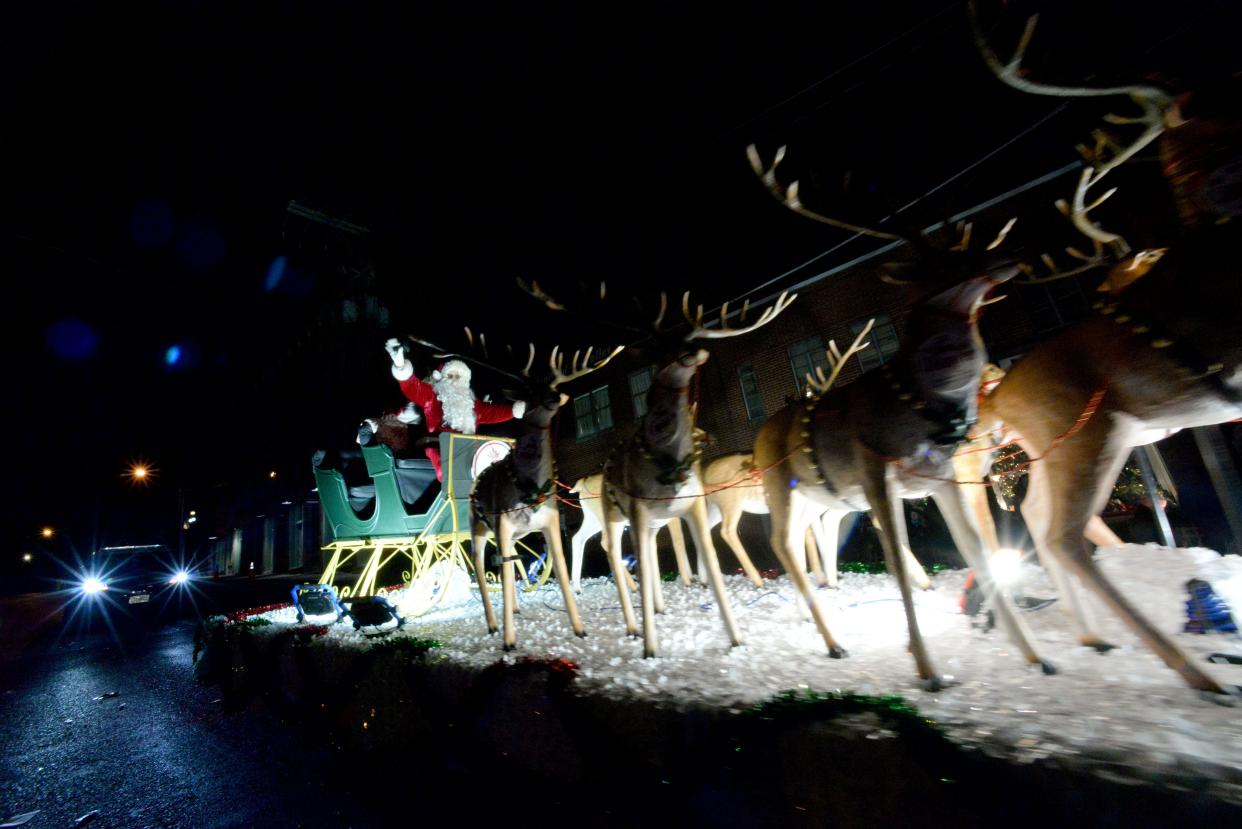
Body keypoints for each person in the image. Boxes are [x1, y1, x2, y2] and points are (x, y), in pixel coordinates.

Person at [385, 338, 524, 480]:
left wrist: (514, 410)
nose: (453, 380)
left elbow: (493, 413)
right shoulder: (433, 397)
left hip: (469, 451)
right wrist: (400, 365)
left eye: (458, 377)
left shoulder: (472, 405)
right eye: (449, 376)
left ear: (464, 381)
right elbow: (414, 388)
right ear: (443, 378)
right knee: (447, 473)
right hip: (440, 449)